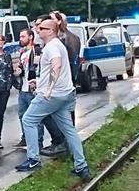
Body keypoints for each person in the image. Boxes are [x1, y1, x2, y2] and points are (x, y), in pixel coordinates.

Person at [15, 16, 90, 179]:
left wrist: (48, 88)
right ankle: (81, 165)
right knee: (69, 130)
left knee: (28, 120)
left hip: (52, 95)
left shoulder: (52, 47)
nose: (37, 30)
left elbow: (56, 65)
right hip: (65, 95)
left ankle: (33, 159)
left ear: (49, 31)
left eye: (40, 28)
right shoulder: (56, 45)